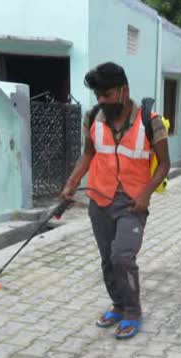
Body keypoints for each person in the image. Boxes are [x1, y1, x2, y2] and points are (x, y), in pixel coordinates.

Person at [60, 62, 170, 339]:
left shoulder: (150, 120)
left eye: (107, 94)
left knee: (122, 256)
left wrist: (146, 195)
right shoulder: (93, 117)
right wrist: (72, 183)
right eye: (98, 96)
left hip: (132, 203)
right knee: (107, 260)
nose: (102, 100)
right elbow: (88, 154)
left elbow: (164, 164)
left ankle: (133, 311)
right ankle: (118, 305)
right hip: (99, 200)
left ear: (124, 90)